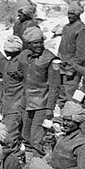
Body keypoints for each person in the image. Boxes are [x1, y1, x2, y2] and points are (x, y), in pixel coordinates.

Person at [21, 26, 59, 157]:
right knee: (26, 135)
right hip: (27, 103)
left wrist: (50, 108)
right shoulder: (26, 56)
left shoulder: (50, 59)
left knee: (37, 138)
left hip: (42, 104)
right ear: (29, 44)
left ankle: (40, 164)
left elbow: (55, 86)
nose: (38, 45)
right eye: (35, 43)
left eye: (40, 42)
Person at [57, 1, 85, 104]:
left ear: (78, 14)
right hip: (62, 67)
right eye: (69, 13)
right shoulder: (66, 27)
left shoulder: (81, 29)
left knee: (69, 97)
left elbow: (82, 54)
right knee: (61, 96)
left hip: (72, 70)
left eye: (73, 14)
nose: (70, 16)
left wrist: (72, 68)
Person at [0, 35, 26, 152]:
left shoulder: (20, 63)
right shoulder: (9, 63)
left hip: (15, 105)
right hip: (8, 104)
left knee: (9, 137)